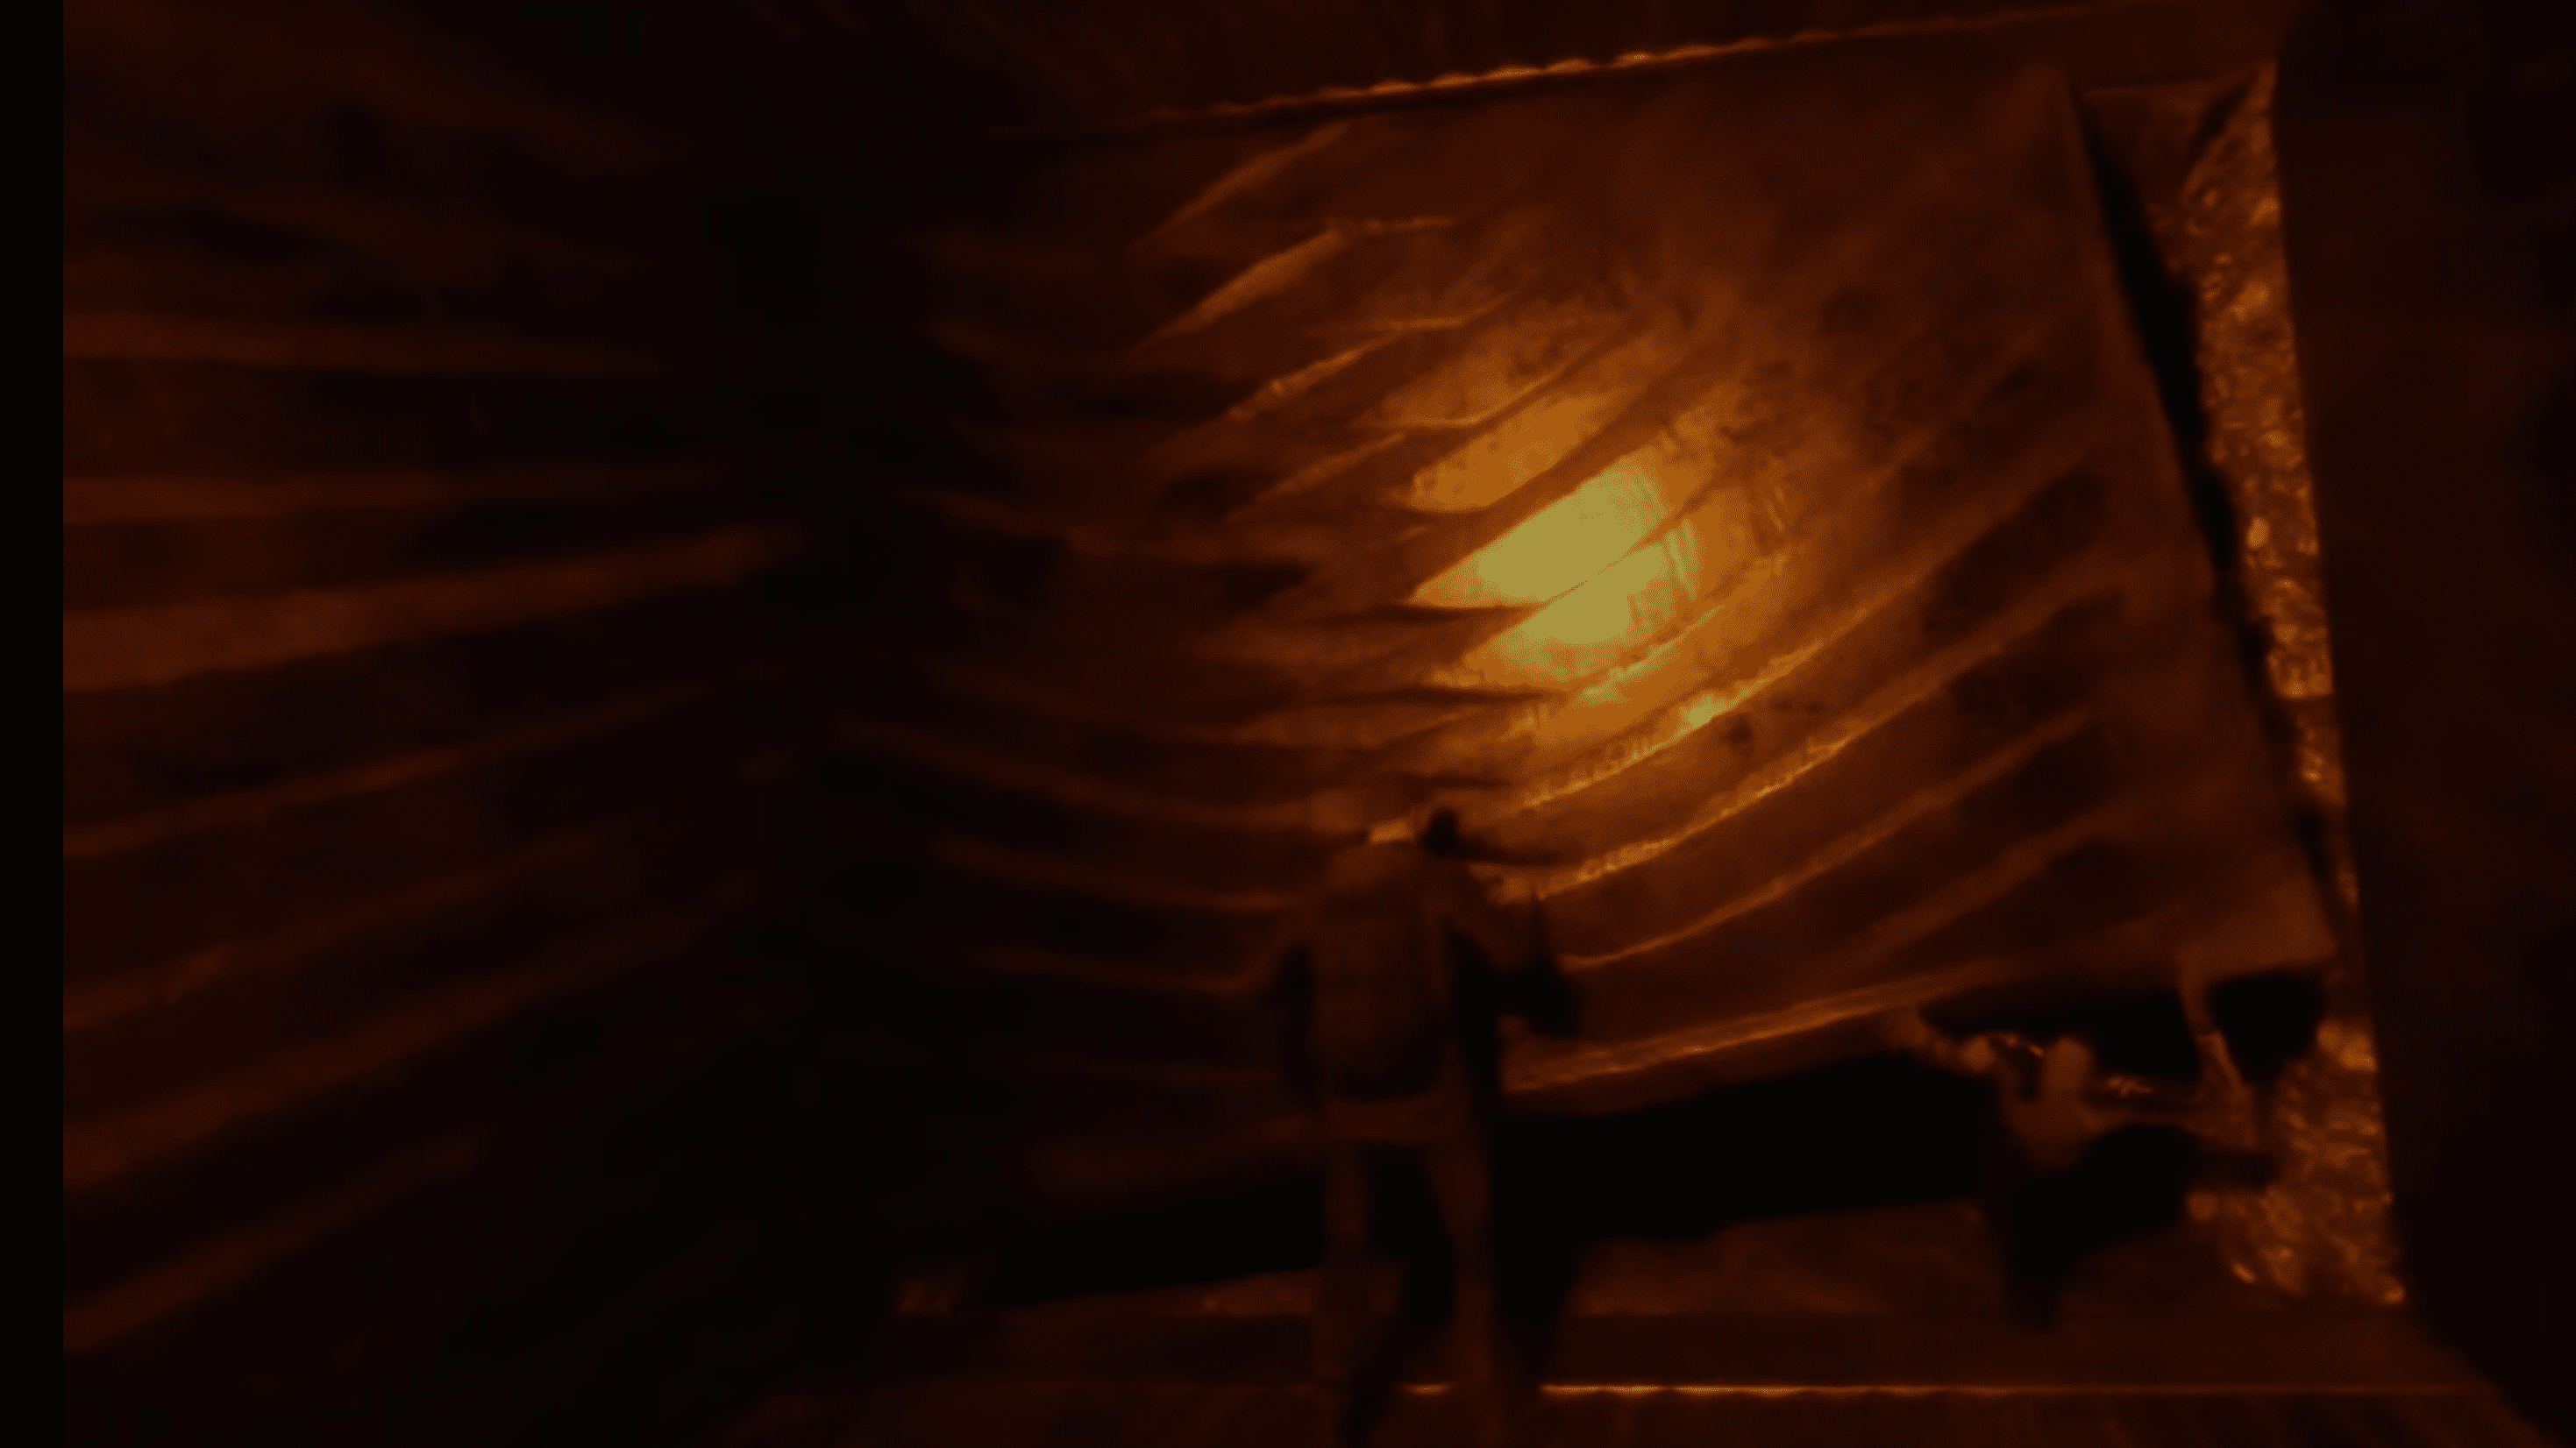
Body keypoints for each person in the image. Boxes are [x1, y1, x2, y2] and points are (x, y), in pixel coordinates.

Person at [1224, 789, 1571, 1448]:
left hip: (1348, 1101)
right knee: (1473, 1256)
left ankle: (1331, 1408)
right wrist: (1529, 925)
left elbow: (1250, 985)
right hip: (1434, 1096)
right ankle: (1489, 1414)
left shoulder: (1319, 892)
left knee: (1346, 1253)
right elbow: (1511, 959)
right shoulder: (1436, 880)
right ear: (1419, 827)